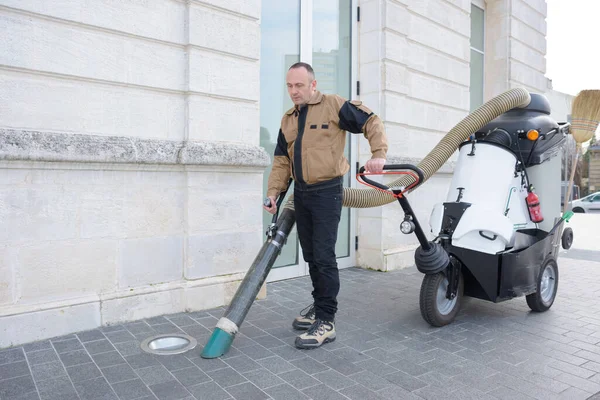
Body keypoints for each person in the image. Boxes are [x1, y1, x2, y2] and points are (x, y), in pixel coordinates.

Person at [263, 62, 388, 349]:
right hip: (302, 193)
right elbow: (282, 160)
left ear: (312, 85)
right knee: (310, 255)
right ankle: (320, 306)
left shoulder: (333, 105)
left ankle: (327, 321)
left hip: (327, 191)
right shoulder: (288, 119)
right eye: (289, 86)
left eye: (299, 85)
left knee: (323, 254)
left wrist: (378, 154)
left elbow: (371, 121)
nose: (293, 91)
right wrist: (273, 193)